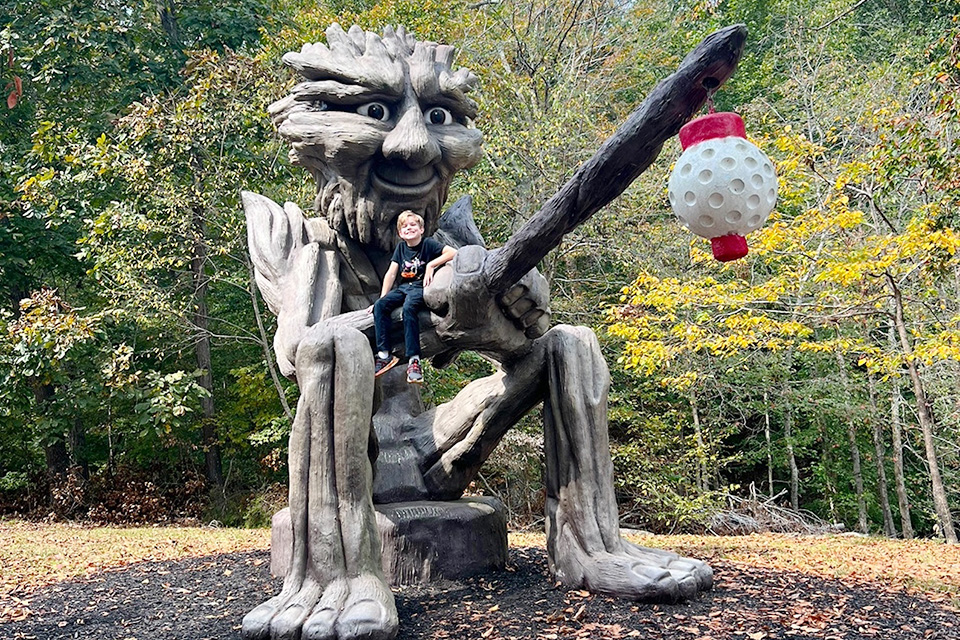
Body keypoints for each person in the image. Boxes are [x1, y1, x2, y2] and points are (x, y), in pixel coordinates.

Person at [371, 210, 456, 383]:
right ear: (400, 233)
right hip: (403, 288)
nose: (409, 228)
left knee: (409, 308)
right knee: (380, 306)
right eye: (405, 226)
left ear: (421, 229)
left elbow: (453, 252)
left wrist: (432, 265)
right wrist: (382, 297)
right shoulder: (401, 248)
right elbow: (391, 274)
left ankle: (414, 361)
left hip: (420, 288)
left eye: (413, 225)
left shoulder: (428, 245)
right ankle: (384, 354)